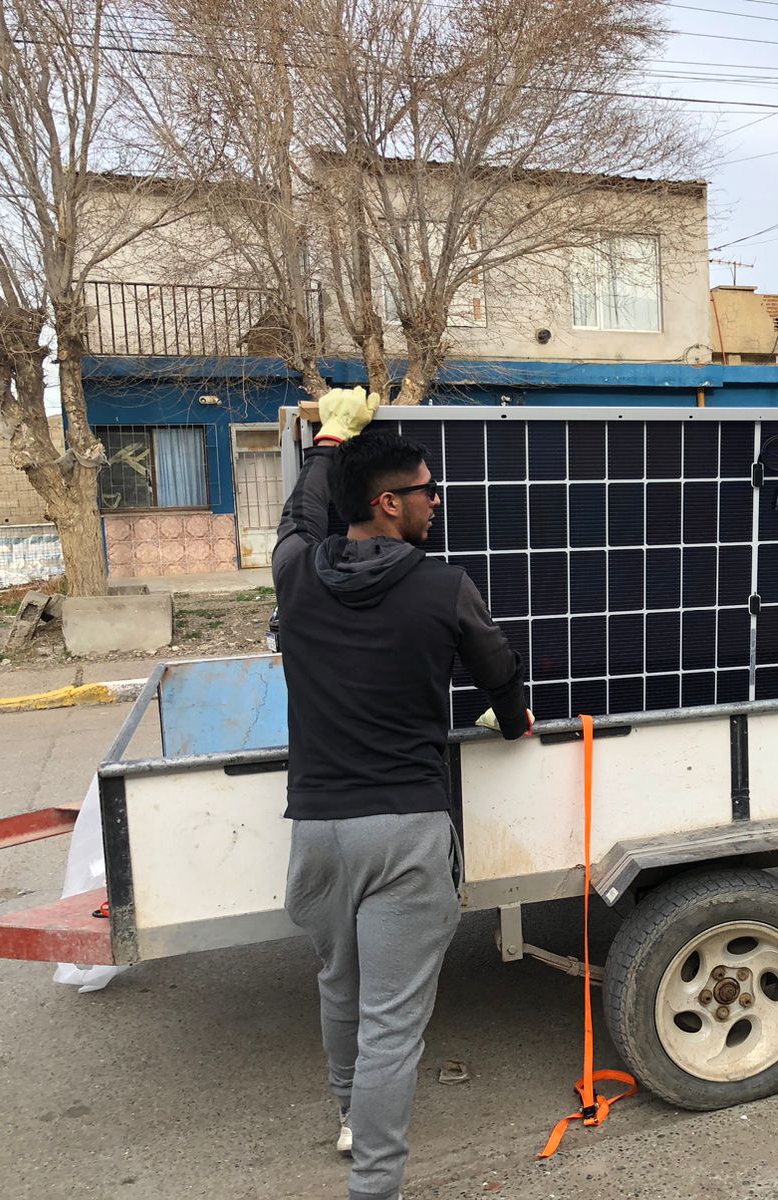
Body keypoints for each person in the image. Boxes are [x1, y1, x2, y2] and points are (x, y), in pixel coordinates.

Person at [273, 387, 532, 1200]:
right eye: (426, 490)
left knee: (339, 989)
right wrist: (515, 719)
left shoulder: (295, 579)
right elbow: (500, 678)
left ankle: (351, 1116)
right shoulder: (443, 587)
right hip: (403, 833)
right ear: (389, 505)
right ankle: (375, 1186)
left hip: (317, 831)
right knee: (392, 1024)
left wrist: (327, 443)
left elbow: (298, 522)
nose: (437, 501)